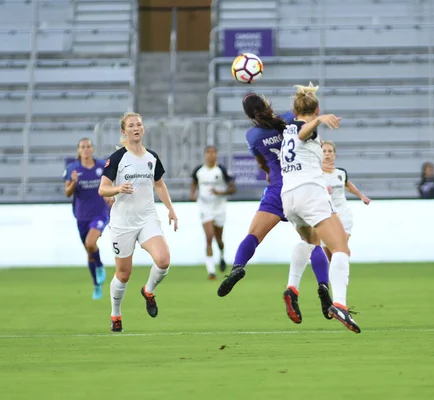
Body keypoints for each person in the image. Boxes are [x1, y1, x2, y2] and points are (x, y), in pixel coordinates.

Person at [217, 93, 333, 322]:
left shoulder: (252, 135)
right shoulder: (290, 119)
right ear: (267, 104)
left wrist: (271, 173)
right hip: (299, 186)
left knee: (253, 235)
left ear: (250, 116)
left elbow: (262, 164)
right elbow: (306, 123)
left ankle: (237, 268)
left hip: (276, 190)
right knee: (312, 242)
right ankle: (323, 286)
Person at [279, 83, 360, 333]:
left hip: (288, 197)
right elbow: (305, 133)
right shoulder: (307, 130)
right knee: (341, 249)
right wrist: (319, 120)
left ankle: (292, 287)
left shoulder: (286, 130)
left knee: (310, 241)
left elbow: (299, 132)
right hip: (309, 192)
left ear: (294, 110)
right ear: (317, 109)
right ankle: (340, 305)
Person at [98, 112, 179, 333]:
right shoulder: (117, 158)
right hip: (123, 222)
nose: (136, 128)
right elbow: (102, 188)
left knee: (163, 260)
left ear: (143, 129)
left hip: (147, 218)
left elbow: (159, 184)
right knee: (123, 274)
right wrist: (117, 188)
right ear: (124, 132)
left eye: (139, 124)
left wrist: (170, 209)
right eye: (131, 125)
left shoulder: (151, 157)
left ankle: (149, 291)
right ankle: (116, 314)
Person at [63, 138, 112, 300]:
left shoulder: (102, 166)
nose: (85, 149)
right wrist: (74, 182)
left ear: (92, 149)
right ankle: (96, 285)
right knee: (90, 251)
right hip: (81, 215)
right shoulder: (72, 168)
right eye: (82, 147)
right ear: (78, 150)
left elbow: (109, 186)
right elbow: (67, 193)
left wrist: (111, 197)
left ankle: (99, 266)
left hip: (100, 213)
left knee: (91, 243)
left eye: (88, 146)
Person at [190, 146, 236, 279]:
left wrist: (220, 192)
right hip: (205, 207)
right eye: (208, 153)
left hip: (219, 207)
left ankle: (221, 255)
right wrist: (192, 194)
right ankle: (211, 271)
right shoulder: (199, 170)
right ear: (205, 155)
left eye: (213, 153)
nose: (211, 155)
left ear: (216, 155)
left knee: (219, 239)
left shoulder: (221, 170)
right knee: (209, 236)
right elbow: (194, 183)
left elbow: (233, 189)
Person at [321, 140, 371, 260]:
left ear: (334, 154)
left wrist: (361, 196)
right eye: (324, 151)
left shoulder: (341, 173)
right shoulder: (315, 174)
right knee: (331, 256)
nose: (327, 154)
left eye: (330, 151)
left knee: (340, 249)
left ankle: (342, 275)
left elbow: (347, 185)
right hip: (324, 216)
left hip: (343, 215)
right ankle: (336, 275)